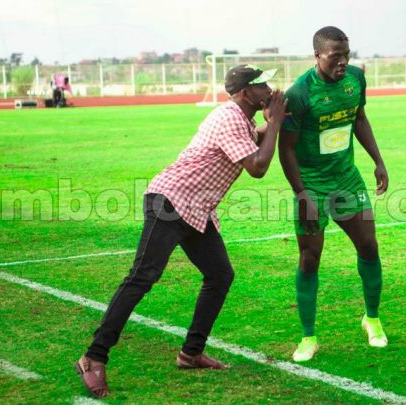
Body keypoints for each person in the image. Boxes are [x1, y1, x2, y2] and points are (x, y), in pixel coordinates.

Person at [75, 64, 287, 398]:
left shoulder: (242, 120)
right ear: (246, 92)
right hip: (171, 201)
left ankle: (191, 353)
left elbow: (258, 139)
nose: (270, 89)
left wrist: (273, 123)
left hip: (195, 209)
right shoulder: (230, 117)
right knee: (142, 276)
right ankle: (93, 357)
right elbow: (258, 167)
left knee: (220, 275)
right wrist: (273, 122)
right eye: (263, 85)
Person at [279, 26, 389, 362]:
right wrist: (302, 194)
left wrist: (378, 161)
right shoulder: (299, 93)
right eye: (334, 56)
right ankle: (308, 337)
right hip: (312, 184)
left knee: (369, 247)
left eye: (346, 55)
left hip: (347, 180)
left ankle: (372, 319)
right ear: (317, 55)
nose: (342, 62)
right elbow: (287, 149)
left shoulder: (356, 79)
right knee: (309, 259)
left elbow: (360, 119)